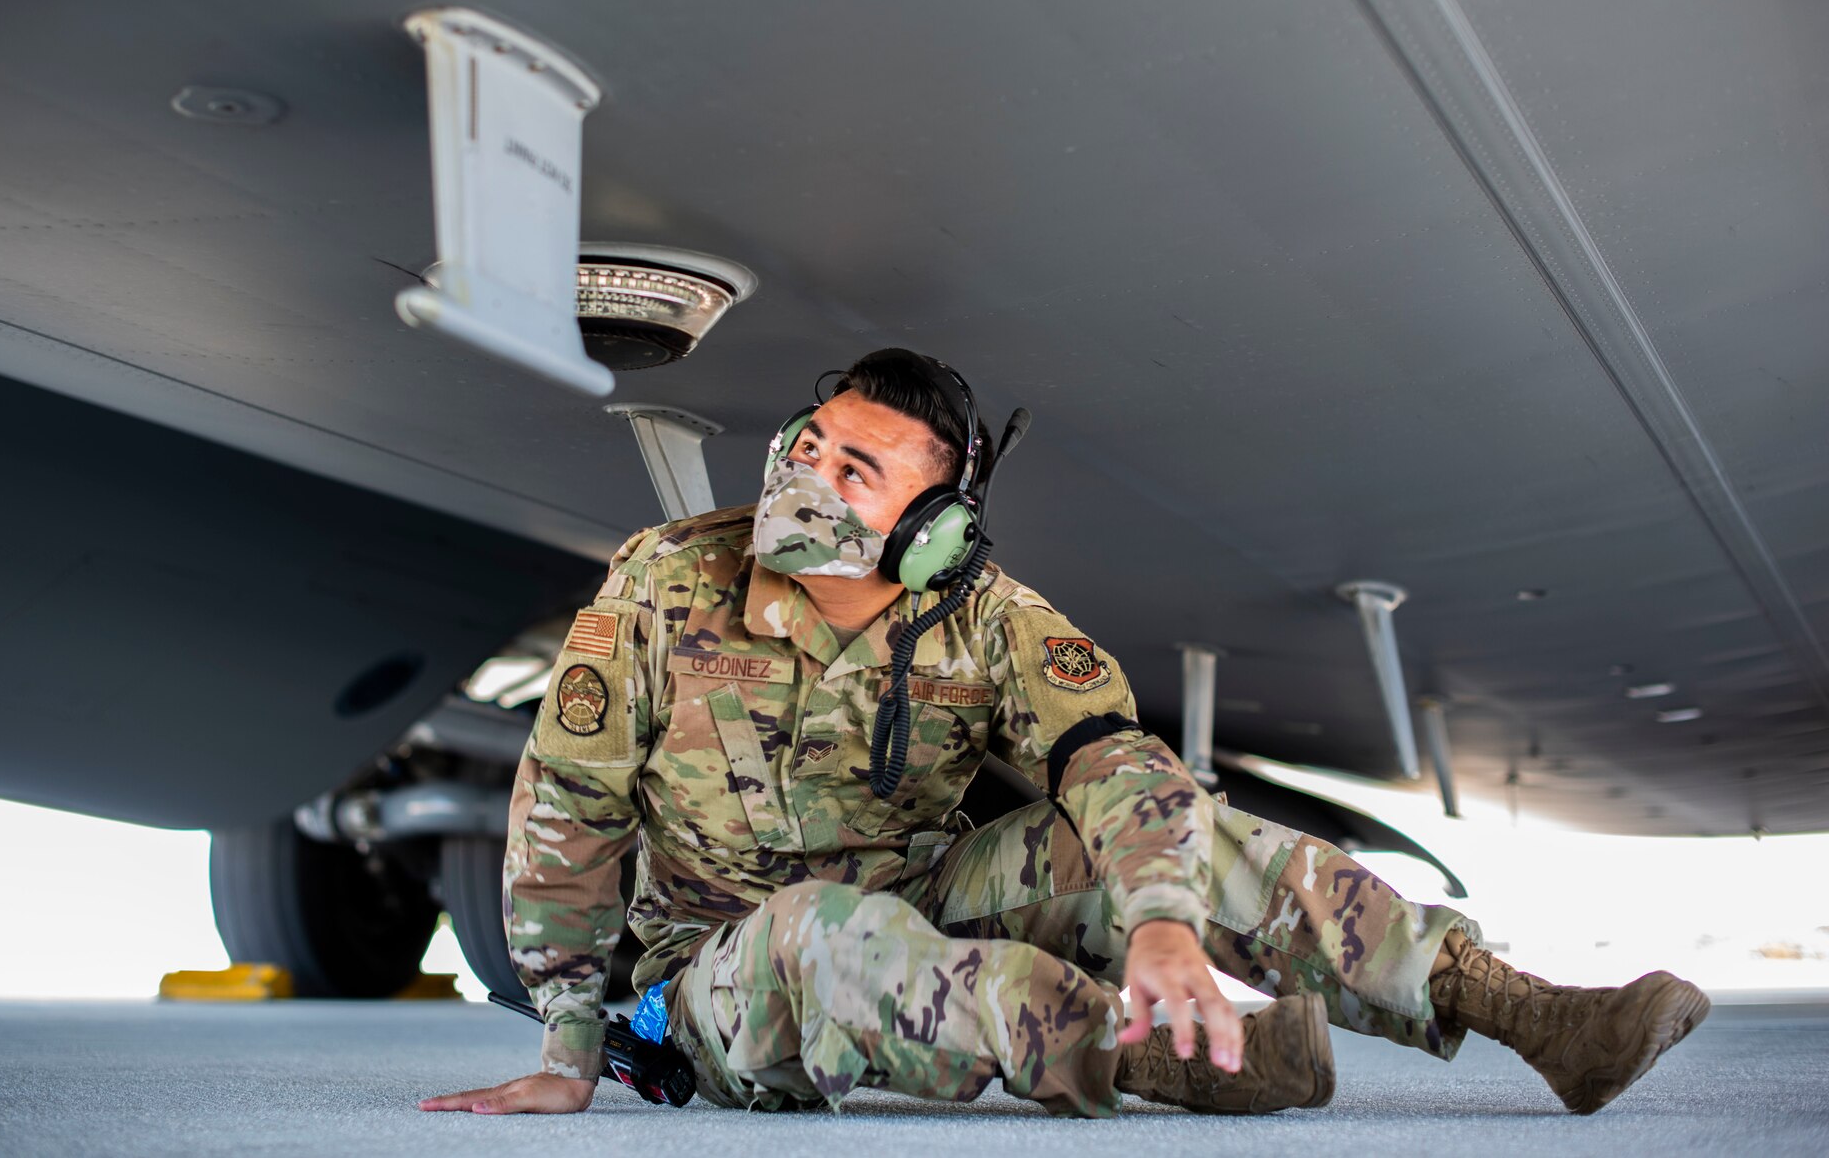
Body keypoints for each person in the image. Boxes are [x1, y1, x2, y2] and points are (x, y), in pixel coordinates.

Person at [421, 348, 1707, 1120]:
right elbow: (566, 807)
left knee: (1162, 837)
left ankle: (1529, 1017)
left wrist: (1155, 910)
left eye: (851, 472)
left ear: (925, 530)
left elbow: (1111, 759)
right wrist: (569, 1046)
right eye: (806, 446)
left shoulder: (986, 616)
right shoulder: (663, 580)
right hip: (706, 971)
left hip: (908, 897)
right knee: (826, 935)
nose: (802, 479)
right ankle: (1159, 1058)